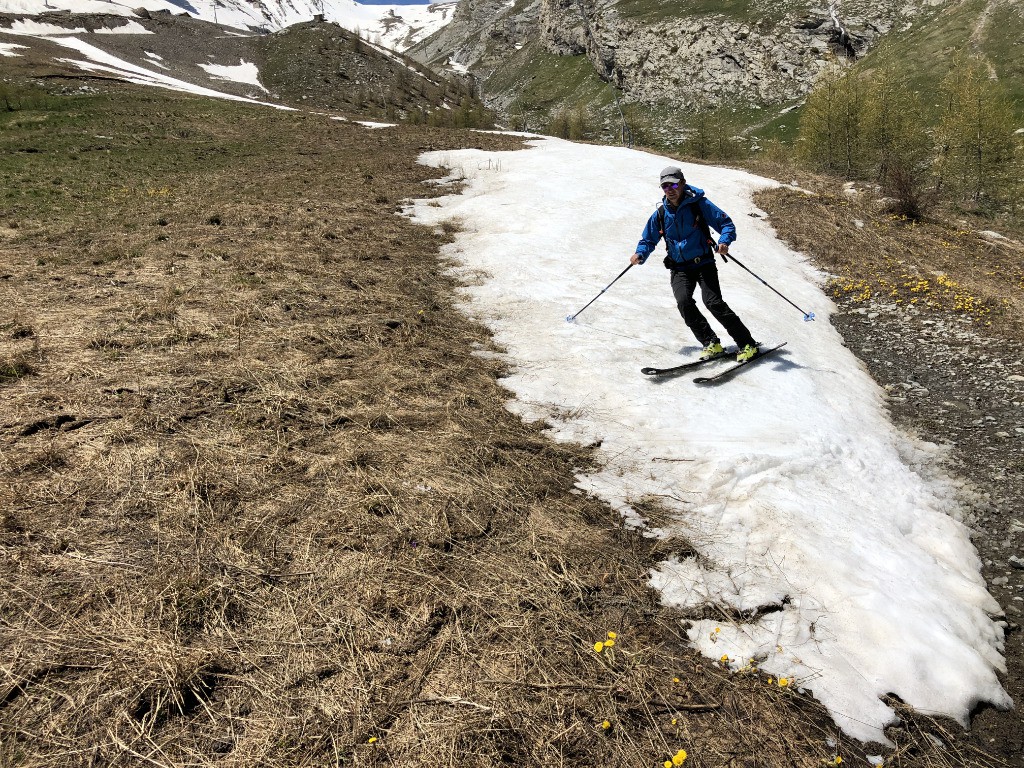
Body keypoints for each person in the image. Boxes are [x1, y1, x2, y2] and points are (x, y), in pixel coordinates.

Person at [630, 166, 759, 362]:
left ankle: (747, 343)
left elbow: (726, 224)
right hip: (679, 267)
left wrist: (724, 241)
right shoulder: (661, 214)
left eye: (673, 184)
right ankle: (710, 343)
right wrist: (640, 254)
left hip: (703, 263)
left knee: (713, 302)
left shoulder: (699, 204)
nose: (670, 189)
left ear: (682, 183)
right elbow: (648, 239)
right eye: (665, 186)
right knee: (684, 303)